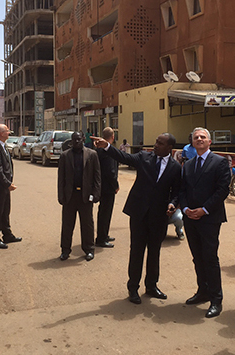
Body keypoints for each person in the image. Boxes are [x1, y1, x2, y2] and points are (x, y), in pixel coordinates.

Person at [92, 132, 181, 304]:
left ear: (169, 148)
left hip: (159, 216)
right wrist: (107, 147)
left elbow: (176, 191)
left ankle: (151, 286)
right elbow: (124, 157)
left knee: (154, 252)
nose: (156, 145)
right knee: (137, 251)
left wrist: (172, 204)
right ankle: (133, 287)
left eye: (160, 143)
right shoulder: (144, 157)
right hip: (139, 213)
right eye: (156, 141)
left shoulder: (175, 168)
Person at [179, 127, 231, 318]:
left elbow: (222, 190)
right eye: (196, 137)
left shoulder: (219, 162)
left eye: (203, 137)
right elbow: (182, 190)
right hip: (190, 218)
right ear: (192, 142)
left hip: (209, 218)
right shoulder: (189, 164)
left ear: (210, 142)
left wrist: (204, 210)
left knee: (210, 258)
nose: (199, 139)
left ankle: (216, 299)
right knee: (197, 257)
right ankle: (203, 291)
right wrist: (185, 209)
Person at [58, 132, 101, 261]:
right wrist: (61, 196)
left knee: (87, 224)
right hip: (70, 197)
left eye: (79, 139)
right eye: (74, 140)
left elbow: (97, 177)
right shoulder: (65, 156)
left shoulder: (92, 155)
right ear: (71, 141)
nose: (77, 142)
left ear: (83, 139)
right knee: (67, 225)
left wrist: (95, 194)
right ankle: (65, 250)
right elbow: (61, 178)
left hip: (86, 196)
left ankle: (89, 249)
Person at [0, 124, 21, 249]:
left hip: (5, 186)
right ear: (1, 133)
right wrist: (7, 184)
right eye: (7, 131)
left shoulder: (2, 146)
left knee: (5, 211)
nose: (9, 133)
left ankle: (7, 235)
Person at [95, 127, 117, 248]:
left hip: (100, 185)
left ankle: (104, 234)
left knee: (103, 211)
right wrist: (116, 185)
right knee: (105, 212)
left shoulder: (98, 149)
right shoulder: (108, 151)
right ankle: (101, 238)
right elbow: (111, 171)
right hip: (108, 186)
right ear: (112, 137)